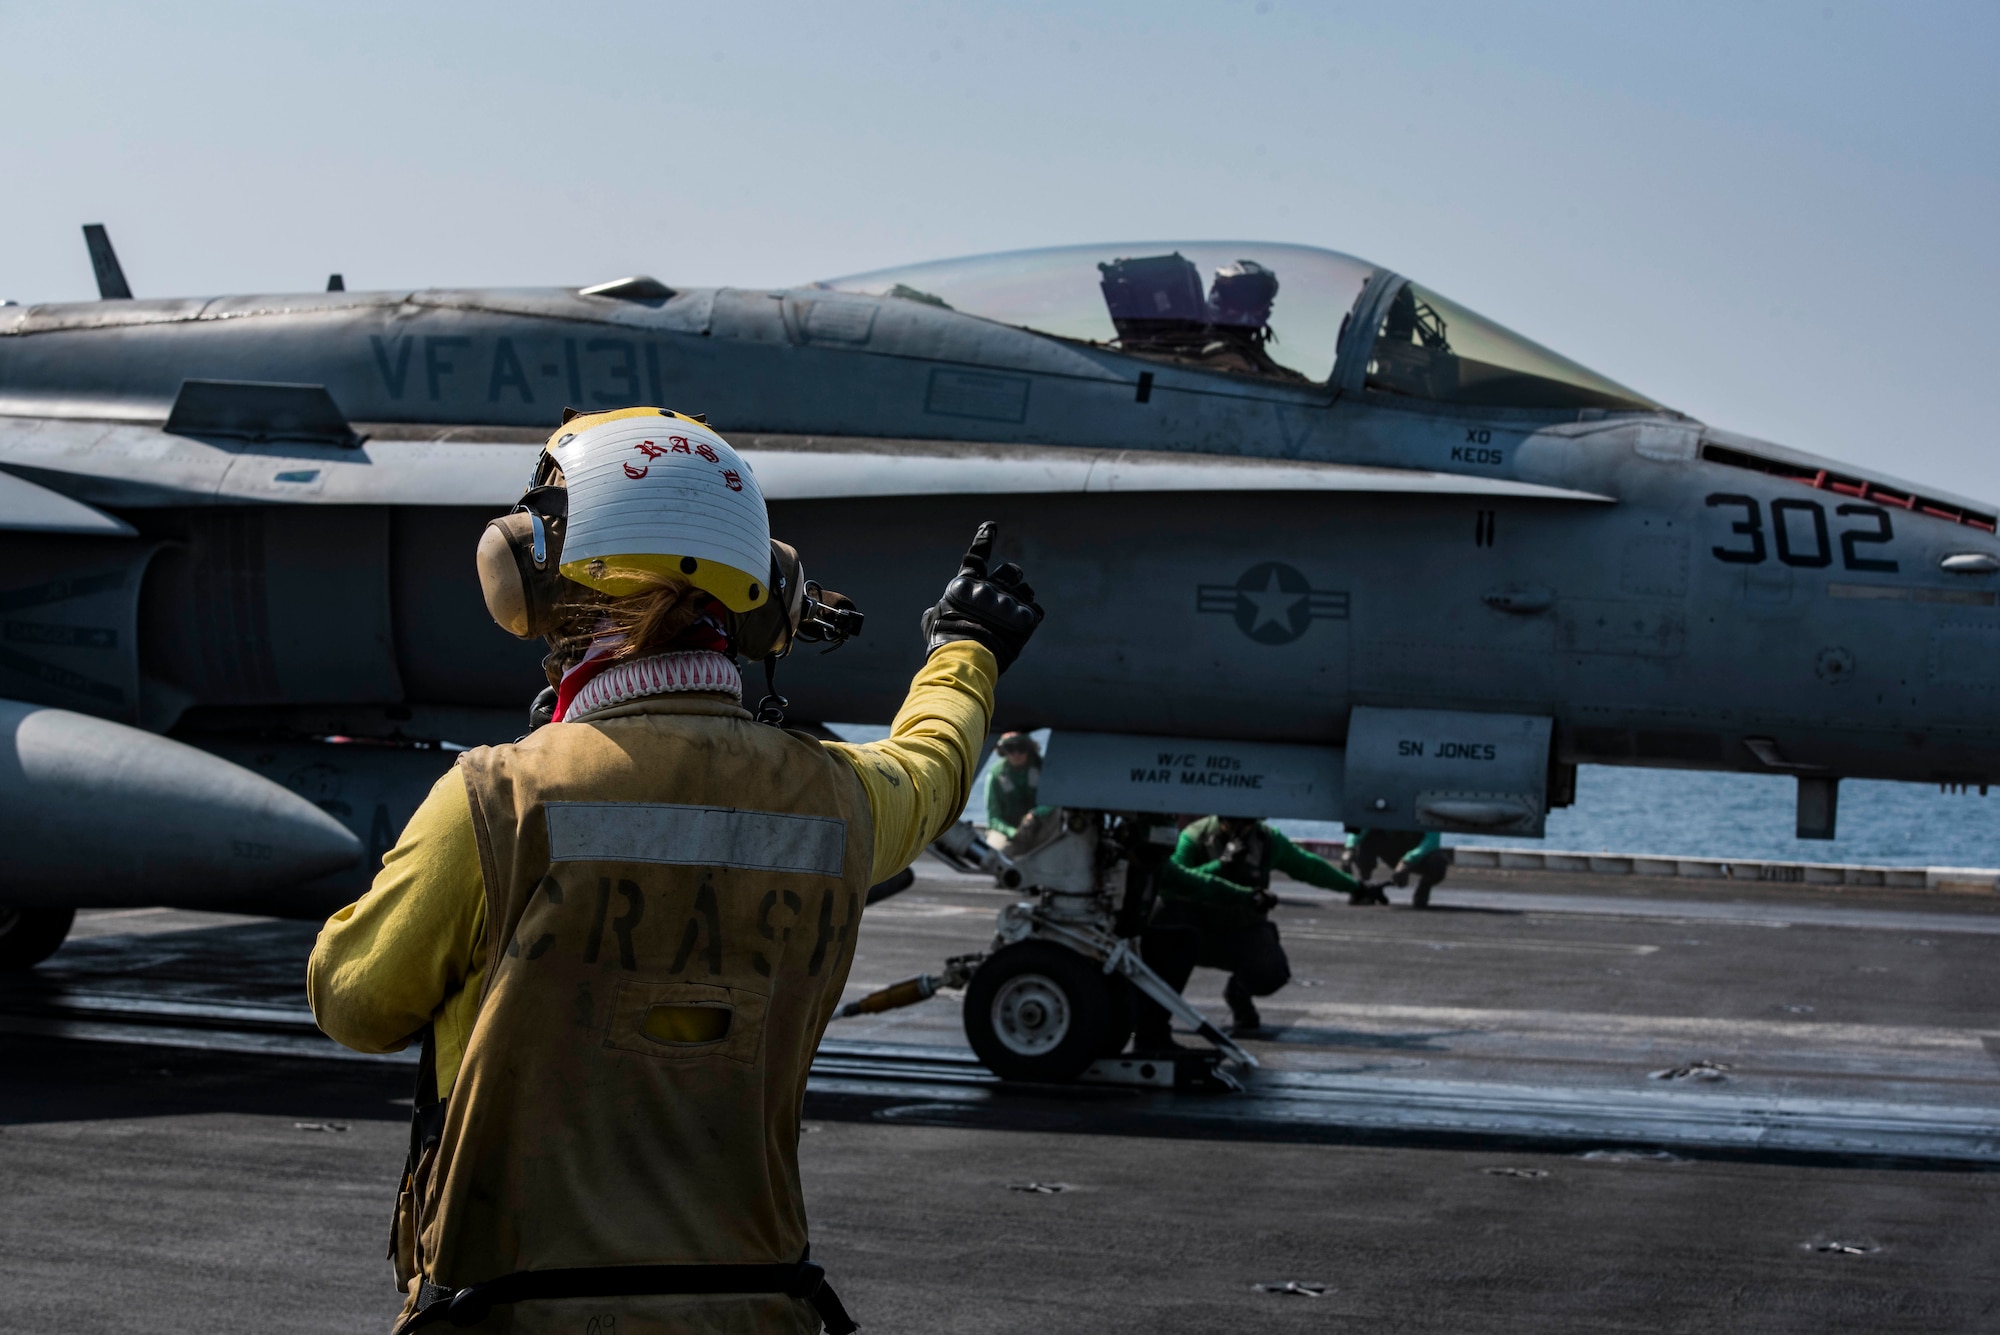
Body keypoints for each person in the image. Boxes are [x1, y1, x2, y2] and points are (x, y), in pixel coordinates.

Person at [307, 407, 1043, 1335]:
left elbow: (353, 1001)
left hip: (515, 1313)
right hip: (758, 1311)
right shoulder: (840, 799)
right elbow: (931, 770)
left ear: (543, 574)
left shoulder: (499, 798)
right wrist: (965, 648)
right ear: (762, 594)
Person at [1133, 813, 1359, 1047]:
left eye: (1247, 823)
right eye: (1232, 822)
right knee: (1166, 920)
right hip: (1195, 931)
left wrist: (1356, 887)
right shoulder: (1195, 837)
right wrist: (1221, 865)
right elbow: (1173, 882)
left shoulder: (1267, 840)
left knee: (1271, 972)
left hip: (1240, 931)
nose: (1240, 829)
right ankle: (1152, 1025)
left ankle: (1238, 994)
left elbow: (1310, 867)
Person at [1345, 827, 1449, 908]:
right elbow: (1360, 823)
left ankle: (1423, 888)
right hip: (1391, 850)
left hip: (1416, 854)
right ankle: (1364, 886)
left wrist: (1408, 861)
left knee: (1438, 862)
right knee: (1365, 839)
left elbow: (1432, 840)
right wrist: (1350, 847)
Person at [981, 730, 1048, 852]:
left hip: (1041, 827)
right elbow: (993, 818)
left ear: (1029, 748)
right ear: (1003, 751)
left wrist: (1036, 814)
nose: (1016, 754)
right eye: (1010, 748)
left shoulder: (1044, 767)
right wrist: (1013, 832)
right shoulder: (996, 775)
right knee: (995, 851)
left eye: (1021, 748)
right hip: (1010, 830)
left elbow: (1056, 802)